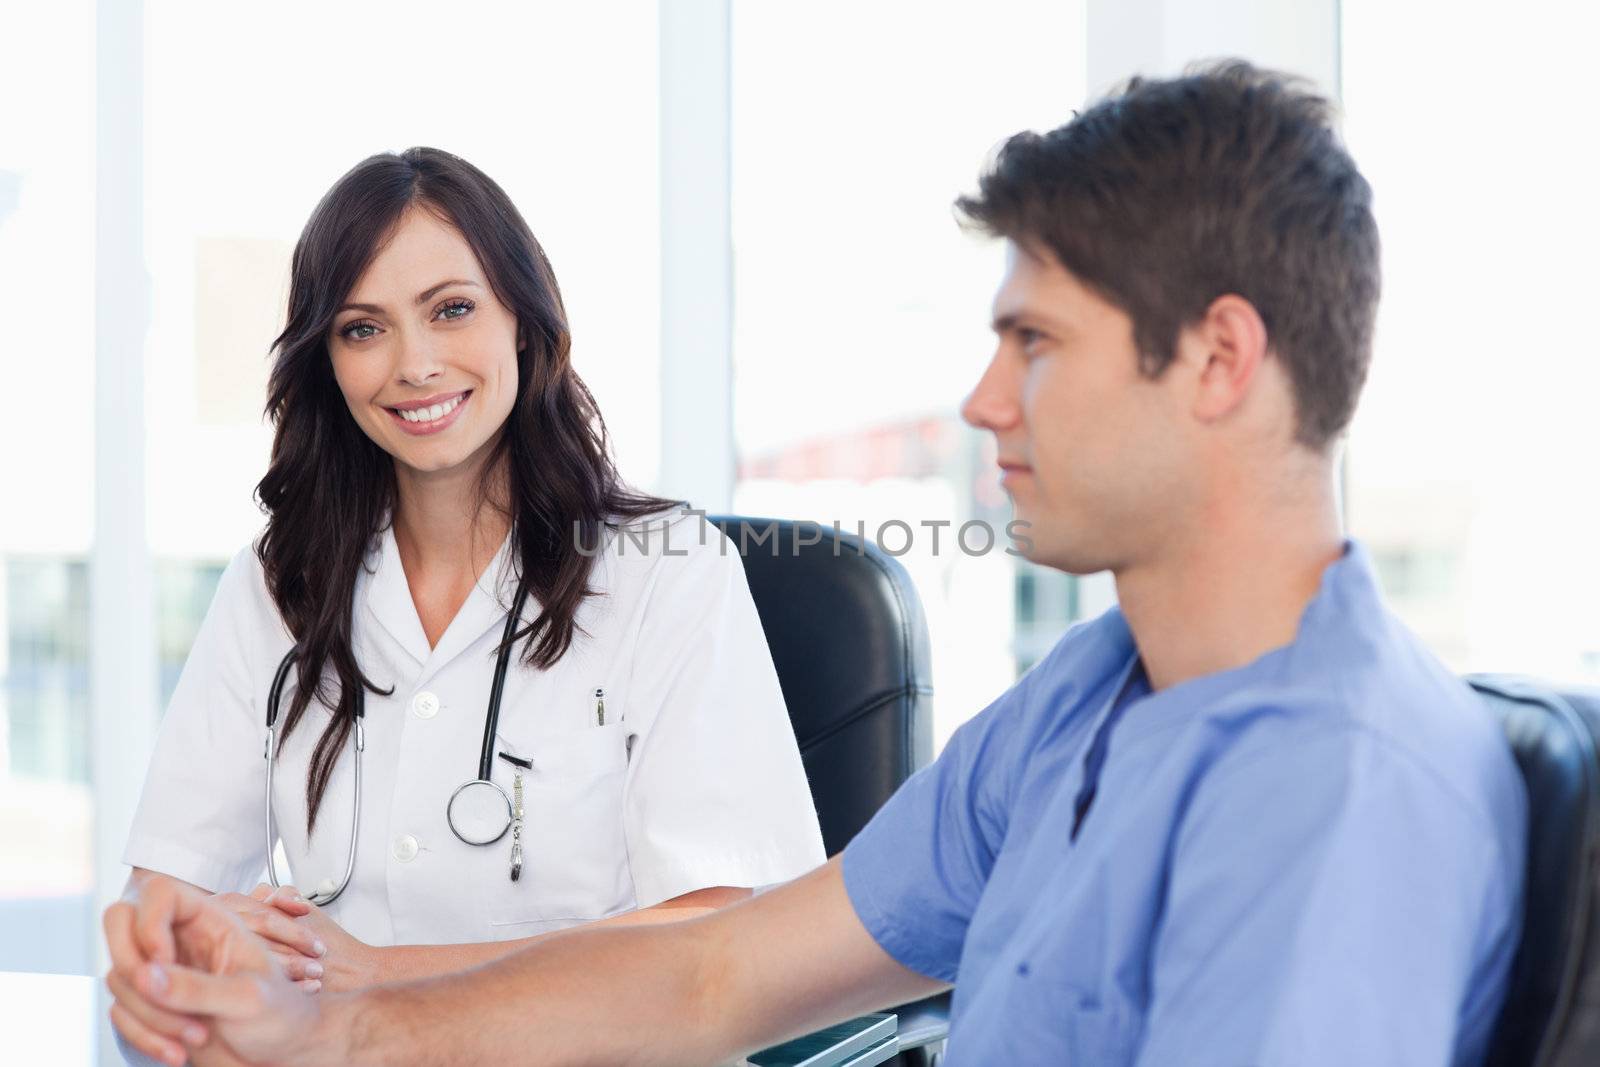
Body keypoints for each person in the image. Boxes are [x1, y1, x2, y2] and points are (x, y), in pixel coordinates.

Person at [105, 62, 1527, 1067]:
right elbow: (723, 970)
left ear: (1218, 358)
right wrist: (339, 1022)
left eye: (1033, 342)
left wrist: (353, 1007)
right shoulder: (1084, 701)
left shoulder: (1340, 795)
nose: (981, 399)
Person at [105, 147, 826, 1062]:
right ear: (326, 360)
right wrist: (184, 948)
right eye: (363, 329)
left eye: (452, 310)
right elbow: (164, 887)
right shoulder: (278, 581)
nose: (414, 364)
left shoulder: (666, 572)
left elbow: (727, 931)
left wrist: (380, 974)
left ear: (523, 320)